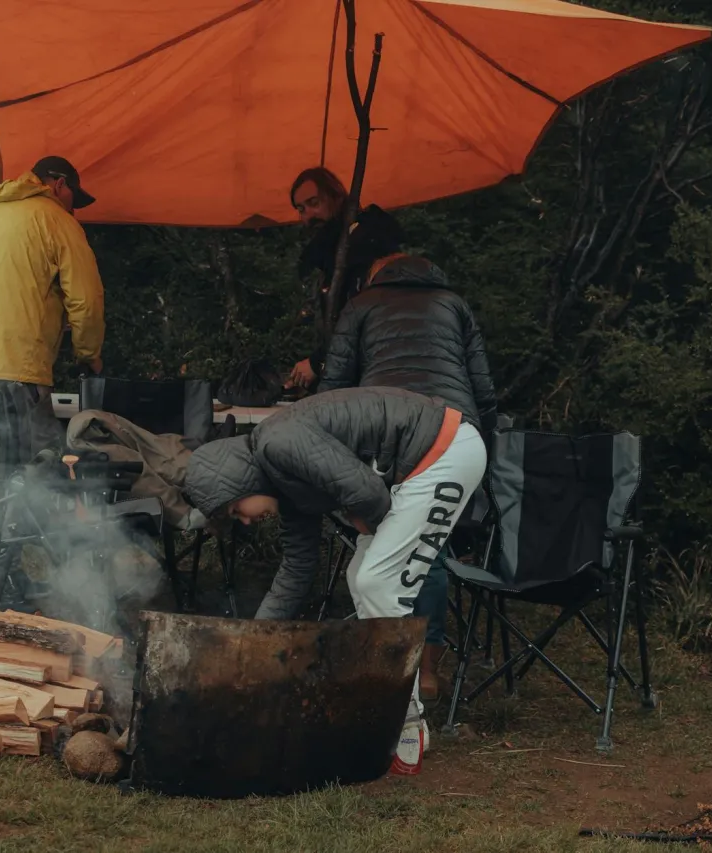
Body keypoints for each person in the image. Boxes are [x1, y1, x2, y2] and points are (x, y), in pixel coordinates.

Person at [183, 387, 487, 775]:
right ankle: (385, 709)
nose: (243, 521)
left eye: (233, 511)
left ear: (238, 483)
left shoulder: (278, 443)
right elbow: (296, 570)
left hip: (445, 450)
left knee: (377, 582)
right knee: (361, 577)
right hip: (420, 463)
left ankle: (407, 723)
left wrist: (366, 523)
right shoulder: (285, 481)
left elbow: (366, 493)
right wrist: (252, 644)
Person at [319, 253, 497, 702]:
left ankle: (391, 683)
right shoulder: (453, 303)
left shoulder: (361, 303)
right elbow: (483, 386)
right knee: (427, 554)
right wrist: (482, 446)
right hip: (455, 433)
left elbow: (335, 385)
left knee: (379, 557)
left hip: (387, 436)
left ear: (376, 276)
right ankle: (425, 672)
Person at [0, 155, 106, 609]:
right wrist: (89, 355)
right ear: (58, 183)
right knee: (26, 474)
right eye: (74, 198)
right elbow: (86, 301)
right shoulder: (56, 221)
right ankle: (5, 585)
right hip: (17, 371)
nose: (74, 208)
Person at [286, 167, 403, 390]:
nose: (308, 215)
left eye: (314, 203)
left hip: (376, 380)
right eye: (301, 209)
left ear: (336, 197)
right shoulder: (329, 255)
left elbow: (365, 322)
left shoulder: (365, 244)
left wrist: (318, 362)